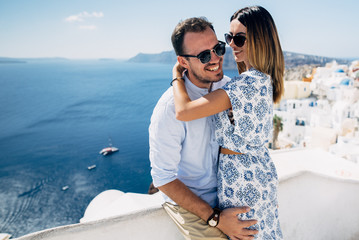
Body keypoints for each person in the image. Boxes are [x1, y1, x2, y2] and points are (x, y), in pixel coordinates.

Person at [172, 6, 284, 239]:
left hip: (242, 178)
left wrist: (177, 75)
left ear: (260, 41)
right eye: (229, 37)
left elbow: (183, 111)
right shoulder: (264, 80)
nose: (231, 45)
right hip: (259, 172)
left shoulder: (244, 85)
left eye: (240, 39)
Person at [149, 17, 258, 240]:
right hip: (193, 203)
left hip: (229, 194)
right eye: (204, 56)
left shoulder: (229, 87)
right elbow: (163, 178)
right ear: (183, 62)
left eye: (217, 48)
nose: (216, 59)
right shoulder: (169, 109)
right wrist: (215, 218)